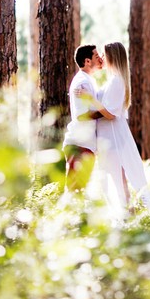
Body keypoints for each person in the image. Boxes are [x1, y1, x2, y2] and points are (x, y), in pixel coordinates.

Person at [78, 41, 150, 223]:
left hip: (115, 137)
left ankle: (136, 216)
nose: (101, 58)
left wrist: (90, 101)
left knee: (124, 178)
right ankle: (126, 216)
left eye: (104, 54)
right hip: (109, 137)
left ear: (112, 57)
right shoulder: (112, 80)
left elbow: (109, 114)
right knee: (116, 179)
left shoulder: (117, 81)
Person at [62, 44, 103, 193]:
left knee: (80, 189)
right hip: (79, 145)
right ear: (87, 61)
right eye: (96, 56)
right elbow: (82, 115)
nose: (100, 59)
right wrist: (106, 113)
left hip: (85, 145)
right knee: (75, 190)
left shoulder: (89, 79)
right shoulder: (82, 82)